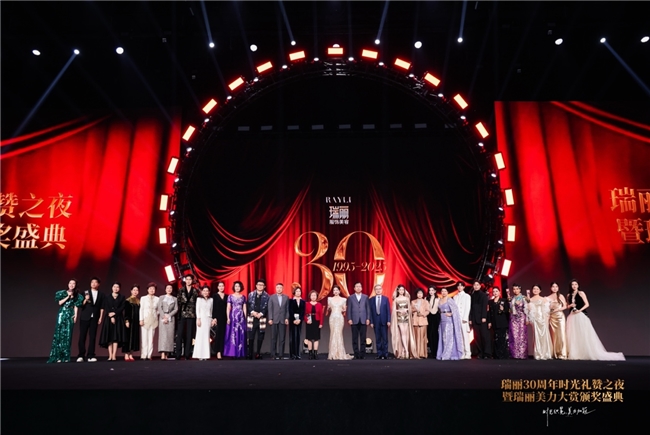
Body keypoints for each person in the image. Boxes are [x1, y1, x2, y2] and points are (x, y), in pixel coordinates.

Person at [566, 279, 625, 361]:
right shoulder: (568, 295)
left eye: (576, 284)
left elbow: (587, 304)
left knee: (583, 334)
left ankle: (585, 352)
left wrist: (579, 310)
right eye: (572, 284)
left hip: (580, 315)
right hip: (572, 316)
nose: (574, 286)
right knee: (573, 334)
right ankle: (575, 352)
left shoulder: (581, 293)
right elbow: (567, 306)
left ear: (578, 285)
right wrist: (570, 305)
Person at [47, 279, 83, 363]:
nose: (71, 285)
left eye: (73, 283)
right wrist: (68, 296)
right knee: (59, 334)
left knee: (68, 335)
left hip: (70, 314)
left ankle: (66, 357)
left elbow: (76, 306)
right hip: (62, 313)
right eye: (70, 283)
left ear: (75, 285)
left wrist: (75, 315)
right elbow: (60, 303)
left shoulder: (77, 295)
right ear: (68, 284)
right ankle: (58, 357)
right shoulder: (62, 293)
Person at [77, 277, 105, 362]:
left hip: (95, 317)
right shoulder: (85, 292)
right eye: (92, 282)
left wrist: (100, 317)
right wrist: (85, 299)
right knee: (82, 336)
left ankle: (91, 355)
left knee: (92, 337)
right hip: (85, 317)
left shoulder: (101, 294)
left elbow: (102, 307)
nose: (93, 284)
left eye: (95, 282)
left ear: (98, 284)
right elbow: (80, 305)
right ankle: (81, 355)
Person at [99, 282, 126, 361]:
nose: (116, 288)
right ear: (112, 288)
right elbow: (106, 307)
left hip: (118, 318)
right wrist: (111, 315)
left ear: (119, 288)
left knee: (116, 337)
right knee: (109, 337)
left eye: (117, 287)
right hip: (108, 318)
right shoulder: (107, 297)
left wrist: (114, 314)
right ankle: (110, 355)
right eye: (114, 287)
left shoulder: (122, 297)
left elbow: (122, 307)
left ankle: (114, 355)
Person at [525, 285, 552, 360]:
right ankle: (538, 353)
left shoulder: (543, 299)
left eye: (537, 289)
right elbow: (528, 311)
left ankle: (545, 353)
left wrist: (547, 319)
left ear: (540, 290)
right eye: (534, 289)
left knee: (544, 335)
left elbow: (547, 310)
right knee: (536, 335)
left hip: (543, 318)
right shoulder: (530, 299)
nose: (535, 290)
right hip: (535, 319)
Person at [390, 285, 417, 359]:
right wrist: (399, 311)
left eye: (403, 290)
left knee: (405, 333)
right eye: (400, 290)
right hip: (399, 317)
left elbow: (409, 309)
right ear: (398, 291)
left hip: (406, 317)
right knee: (402, 333)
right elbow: (394, 310)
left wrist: (406, 310)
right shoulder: (396, 299)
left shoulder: (407, 299)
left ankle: (404, 350)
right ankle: (406, 350)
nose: (401, 291)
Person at [436, 287, 464, 360]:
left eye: (445, 291)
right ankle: (442, 353)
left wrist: (451, 314)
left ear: (447, 292)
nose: (443, 292)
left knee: (448, 337)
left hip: (448, 320)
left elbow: (455, 309)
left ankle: (447, 354)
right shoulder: (440, 300)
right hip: (442, 319)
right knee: (442, 337)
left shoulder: (450, 300)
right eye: (442, 291)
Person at [175, 274, 199, 360]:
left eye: (190, 279)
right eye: (187, 279)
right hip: (182, 314)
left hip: (191, 315)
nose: (188, 281)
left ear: (192, 281)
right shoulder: (181, 290)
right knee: (180, 334)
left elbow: (197, 303)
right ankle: (178, 354)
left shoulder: (195, 291)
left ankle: (187, 354)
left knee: (189, 335)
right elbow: (178, 301)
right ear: (185, 280)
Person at [327, 286, 352, 360]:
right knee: (333, 333)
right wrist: (328, 308)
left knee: (338, 334)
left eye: (337, 290)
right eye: (334, 290)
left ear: (339, 291)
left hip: (340, 318)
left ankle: (340, 353)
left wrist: (344, 310)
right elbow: (328, 309)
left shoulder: (343, 299)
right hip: (332, 318)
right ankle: (333, 353)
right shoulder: (330, 299)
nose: (335, 291)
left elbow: (344, 310)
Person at [247, 278, 269, 359]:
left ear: (264, 286)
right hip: (252, 318)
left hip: (261, 318)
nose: (260, 286)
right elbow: (248, 305)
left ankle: (258, 353)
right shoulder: (251, 294)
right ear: (256, 285)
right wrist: (253, 312)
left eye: (262, 285)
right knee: (251, 336)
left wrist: (261, 313)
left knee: (260, 336)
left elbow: (267, 307)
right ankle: (250, 353)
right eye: (259, 285)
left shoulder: (267, 296)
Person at [346, 282, 370, 359]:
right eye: (357, 286)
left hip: (363, 320)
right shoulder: (350, 298)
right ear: (354, 288)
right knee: (355, 338)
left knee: (363, 338)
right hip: (354, 320)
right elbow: (349, 309)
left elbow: (368, 309)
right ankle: (356, 354)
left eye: (360, 286)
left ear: (362, 288)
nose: (358, 288)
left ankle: (362, 354)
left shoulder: (365, 297)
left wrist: (368, 318)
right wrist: (349, 319)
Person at [224, 281, 247, 358]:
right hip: (233, 316)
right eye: (236, 286)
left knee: (241, 333)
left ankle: (240, 353)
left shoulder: (243, 297)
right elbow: (228, 307)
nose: (237, 288)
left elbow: (244, 308)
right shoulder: (230, 296)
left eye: (238, 286)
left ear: (241, 287)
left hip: (241, 317)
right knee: (232, 333)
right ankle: (232, 352)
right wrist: (228, 317)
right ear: (234, 287)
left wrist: (245, 318)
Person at [469, 281, 492, 359]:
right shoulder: (471, 296)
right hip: (474, 319)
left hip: (482, 319)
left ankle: (487, 353)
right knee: (477, 337)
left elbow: (485, 307)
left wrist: (484, 317)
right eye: (474, 285)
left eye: (477, 285)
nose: (476, 286)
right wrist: (470, 319)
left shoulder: (483, 295)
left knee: (484, 336)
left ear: (480, 286)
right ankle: (480, 352)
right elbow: (471, 308)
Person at [369, 284, 391, 360]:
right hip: (376, 321)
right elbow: (370, 312)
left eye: (379, 289)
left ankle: (385, 354)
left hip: (384, 321)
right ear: (375, 290)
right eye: (377, 289)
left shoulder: (385, 299)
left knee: (385, 339)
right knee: (378, 338)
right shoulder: (371, 299)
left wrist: (388, 320)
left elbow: (388, 310)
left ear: (382, 290)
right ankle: (379, 354)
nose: (378, 290)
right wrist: (371, 322)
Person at [267, 283, 289, 360]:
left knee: (282, 338)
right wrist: (270, 318)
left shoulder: (286, 297)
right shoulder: (272, 297)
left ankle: (281, 354)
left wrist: (287, 318)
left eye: (280, 287)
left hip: (282, 320)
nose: (279, 289)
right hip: (274, 320)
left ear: (283, 289)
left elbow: (287, 309)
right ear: (275, 288)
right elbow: (270, 309)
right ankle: (273, 354)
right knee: (273, 338)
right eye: (277, 287)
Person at [193, 285, 215, 360]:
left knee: (206, 337)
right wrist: (198, 319)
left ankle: (205, 355)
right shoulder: (199, 299)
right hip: (201, 319)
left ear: (209, 292)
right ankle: (199, 355)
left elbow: (211, 311)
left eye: (207, 291)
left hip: (208, 319)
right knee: (200, 336)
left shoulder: (211, 300)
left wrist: (212, 319)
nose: (205, 292)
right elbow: (197, 310)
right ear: (202, 292)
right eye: (204, 291)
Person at [139, 282, 159, 360]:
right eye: (150, 288)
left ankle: (149, 354)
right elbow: (141, 309)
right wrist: (141, 319)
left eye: (153, 289)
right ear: (147, 290)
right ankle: (144, 354)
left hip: (153, 320)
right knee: (144, 338)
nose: (152, 290)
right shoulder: (143, 298)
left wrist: (155, 314)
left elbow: (159, 310)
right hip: (145, 320)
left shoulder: (157, 299)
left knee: (151, 339)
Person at [488, 286, 510, 359]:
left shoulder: (504, 300)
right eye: (493, 291)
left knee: (502, 338)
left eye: (496, 291)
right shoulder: (490, 302)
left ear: (499, 292)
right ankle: (496, 354)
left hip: (502, 322)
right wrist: (489, 322)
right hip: (494, 322)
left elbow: (508, 311)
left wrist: (503, 309)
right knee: (495, 338)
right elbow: (489, 313)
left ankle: (503, 354)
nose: (495, 293)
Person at [158, 284, 178, 360]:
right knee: (163, 336)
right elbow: (159, 307)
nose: (169, 289)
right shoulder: (161, 297)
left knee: (169, 336)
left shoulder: (175, 299)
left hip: (171, 318)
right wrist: (164, 316)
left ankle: (167, 353)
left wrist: (169, 315)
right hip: (162, 318)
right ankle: (162, 353)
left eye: (170, 288)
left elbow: (176, 309)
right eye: (167, 288)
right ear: (165, 289)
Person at [547, 282, 567, 360]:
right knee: (554, 336)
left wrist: (558, 309)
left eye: (556, 286)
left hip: (560, 317)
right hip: (552, 317)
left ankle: (562, 353)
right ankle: (555, 354)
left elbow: (565, 306)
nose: (555, 288)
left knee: (561, 334)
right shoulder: (548, 297)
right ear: (550, 288)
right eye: (553, 286)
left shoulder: (560, 296)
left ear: (558, 288)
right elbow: (546, 308)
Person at [508, 284, 528, 359]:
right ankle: (515, 354)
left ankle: (522, 354)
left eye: (517, 289)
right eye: (514, 289)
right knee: (514, 335)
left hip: (522, 317)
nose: (515, 290)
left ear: (520, 289)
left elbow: (527, 309)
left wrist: (527, 319)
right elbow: (510, 310)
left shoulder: (524, 298)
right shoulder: (512, 298)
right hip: (513, 318)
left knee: (522, 335)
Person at [452, 281, 471, 359]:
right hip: (456, 319)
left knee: (465, 336)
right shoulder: (455, 297)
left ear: (464, 287)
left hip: (463, 319)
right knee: (459, 336)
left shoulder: (467, 296)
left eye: (461, 286)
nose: (459, 287)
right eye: (458, 286)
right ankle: (462, 352)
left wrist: (465, 318)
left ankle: (468, 353)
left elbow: (467, 307)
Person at [122, 284, 140, 362]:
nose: (135, 291)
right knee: (128, 337)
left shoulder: (139, 301)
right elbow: (126, 312)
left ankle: (131, 354)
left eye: (137, 290)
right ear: (131, 291)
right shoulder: (128, 300)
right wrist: (126, 321)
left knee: (134, 337)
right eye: (134, 290)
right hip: (129, 321)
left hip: (136, 322)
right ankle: (126, 354)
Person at [305, 290, 325, 359]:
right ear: (310, 296)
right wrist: (307, 320)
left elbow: (321, 315)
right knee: (309, 338)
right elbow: (305, 313)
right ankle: (310, 353)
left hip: (316, 321)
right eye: (312, 295)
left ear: (317, 296)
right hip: (309, 321)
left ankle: (315, 353)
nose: (313, 297)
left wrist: (321, 323)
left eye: (315, 295)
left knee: (316, 338)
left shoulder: (319, 304)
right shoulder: (307, 304)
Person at [411, 289, 430, 359]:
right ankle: (415, 353)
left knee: (423, 337)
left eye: (421, 293)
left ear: (423, 294)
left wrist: (422, 314)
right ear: (416, 294)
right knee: (416, 337)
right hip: (415, 321)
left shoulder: (426, 302)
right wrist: (415, 310)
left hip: (423, 321)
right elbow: (410, 310)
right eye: (418, 293)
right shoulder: (413, 302)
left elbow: (428, 311)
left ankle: (422, 353)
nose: (419, 295)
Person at [211, 281, 228, 359]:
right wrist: (214, 318)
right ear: (217, 287)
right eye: (220, 286)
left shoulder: (227, 296)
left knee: (224, 335)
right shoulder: (214, 296)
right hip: (217, 318)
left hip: (225, 317)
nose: (221, 287)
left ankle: (223, 351)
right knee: (218, 335)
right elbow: (213, 307)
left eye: (222, 286)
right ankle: (218, 352)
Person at [289, 286, 305, 359]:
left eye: (299, 291)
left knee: (298, 336)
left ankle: (298, 354)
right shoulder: (291, 301)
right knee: (292, 337)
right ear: (294, 292)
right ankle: (293, 354)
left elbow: (303, 311)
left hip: (299, 320)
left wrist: (300, 319)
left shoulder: (303, 301)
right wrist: (294, 319)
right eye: (297, 291)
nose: (298, 293)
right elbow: (290, 310)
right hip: (293, 320)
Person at [426, 286, 440, 358]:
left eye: (432, 290)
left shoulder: (438, 299)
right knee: (429, 334)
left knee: (435, 334)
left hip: (436, 317)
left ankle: (436, 351)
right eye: (430, 290)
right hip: (428, 317)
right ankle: (431, 351)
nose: (431, 292)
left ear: (435, 291)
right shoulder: (426, 299)